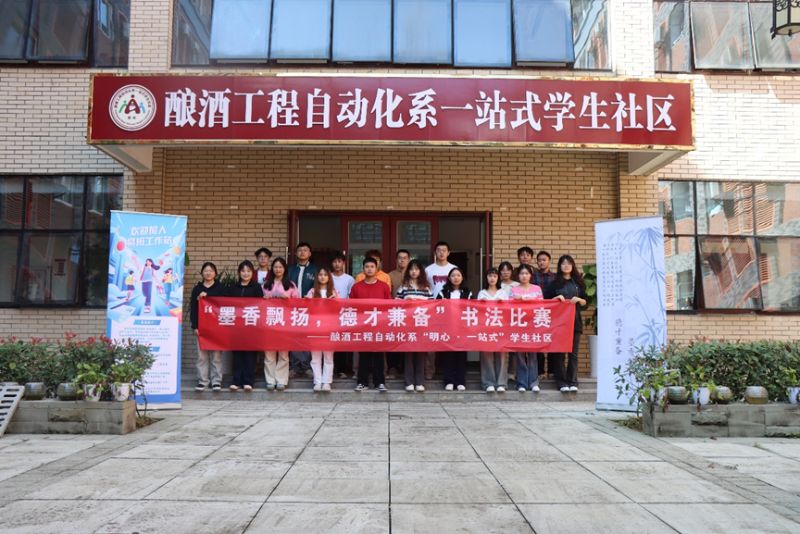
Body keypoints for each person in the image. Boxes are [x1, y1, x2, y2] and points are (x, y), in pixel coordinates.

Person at [545, 255, 588, 393]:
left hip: (575, 322)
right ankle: (561, 382)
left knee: (573, 354)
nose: (566, 266)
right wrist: (555, 298)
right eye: (563, 263)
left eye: (569, 263)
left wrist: (579, 300)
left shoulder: (579, 282)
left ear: (573, 265)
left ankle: (573, 381)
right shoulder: (554, 283)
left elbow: (585, 302)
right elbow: (546, 302)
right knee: (560, 353)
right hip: (559, 323)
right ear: (559, 266)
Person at [350, 257, 391, 392]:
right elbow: (352, 306)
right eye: (367, 267)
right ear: (363, 269)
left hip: (379, 324)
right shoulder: (356, 287)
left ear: (377, 269)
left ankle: (380, 382)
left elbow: (388, 306)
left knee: (379, 354)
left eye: (372, 267)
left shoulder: (384, 286)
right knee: (364, 355)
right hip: (362, 325)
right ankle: (362, 382)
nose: (369, 269)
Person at [395, 259, 433, 392]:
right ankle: (409, 381)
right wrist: (406, 299)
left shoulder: (426, 287)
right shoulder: (403, 286)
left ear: (421, 271)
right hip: (407, 324)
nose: (414, 272)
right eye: (411, 269)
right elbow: (396, 302)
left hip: (422, 324)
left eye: (416, 269)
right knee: (408, 353)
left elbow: (432, 304)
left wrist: (420, 300)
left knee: (421, 353)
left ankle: (420, 381)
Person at [263, 257, 300, 391]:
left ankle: (281, 380)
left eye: (280, 267)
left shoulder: (291, 285)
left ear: (285, 269)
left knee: (283, 353)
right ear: (272, 269)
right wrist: (265, 299)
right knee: (269, 353)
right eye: (275, 267)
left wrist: (288, 300)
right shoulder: (266, 284)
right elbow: (259, 304)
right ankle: (270, 380)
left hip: (285, 323)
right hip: (269, 322)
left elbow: (298, 304)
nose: (278, 269)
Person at [226, 260, 263, 392]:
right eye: (243, 271)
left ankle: (248, 381)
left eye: (248, 271)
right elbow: (226, 304)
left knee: (250, 354)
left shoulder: (256, 287)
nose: (245, 273)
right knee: (237, 354)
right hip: (236, 327)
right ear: (239, 273)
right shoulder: (233, 287)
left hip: (252, 326)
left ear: (252, 273)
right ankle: (236, 381)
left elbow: (261, 306)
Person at [436, 267, 472, 391]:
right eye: (453, 275)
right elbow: (436, 308)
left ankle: (460, 381)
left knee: (461, 355)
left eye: (458, 275)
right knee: (448, 355)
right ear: (449, 278)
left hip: (462, 328)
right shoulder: (443, 292)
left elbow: (471, 309)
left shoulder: (468, 293)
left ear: (462, 278)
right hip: (447, 328)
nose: (456, 278)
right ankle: (449, 381)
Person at [425, 241, 457, 380]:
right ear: (435, 252)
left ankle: (448, 371)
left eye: (444, 250)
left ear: (449, 252)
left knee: (449, 339)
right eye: (439, 250)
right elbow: (426, 288)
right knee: (431, 339)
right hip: (432, 309)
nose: (441, 253)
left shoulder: (454, 268)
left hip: (451, 310)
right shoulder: (428, 270)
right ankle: (429, 370)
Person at [510, 264, 543, 393]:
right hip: (518, 325)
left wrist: (528, 300)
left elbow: (541, 304)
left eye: (526, 273)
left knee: (533, 354)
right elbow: (508, 306)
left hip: (533, 325)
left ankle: (533, 382)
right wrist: (518, 299)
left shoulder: (537, 288)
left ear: (530, 275)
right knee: (520, 355)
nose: (524, 276)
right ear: (518, 276)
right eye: (521, 273)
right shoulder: (514, 290)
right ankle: (522, 383)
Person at [192, 262, 224, 391]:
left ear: (215, 273)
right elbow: (193, 308)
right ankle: (203, 381)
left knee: (216, 356)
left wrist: (209, 297)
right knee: (202, 356)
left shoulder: (221, 288)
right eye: (206, 270)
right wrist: (195, 326)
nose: (208, 273)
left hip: (217, 328)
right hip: (202, 327)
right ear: (202, 273)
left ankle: (216, 381)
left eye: (211, 270)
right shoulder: (197, 289)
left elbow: (225, 305)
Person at [477, 268, 509, 393]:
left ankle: (501, 383)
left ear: (498, 278)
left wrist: (503, 304)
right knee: (487, 355)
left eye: (494, 276)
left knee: (502, 355)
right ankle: (488, 383)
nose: (492, 278)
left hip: (501, 327)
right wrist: (481, 304)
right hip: (485, 328)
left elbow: (509, 310)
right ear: (486, 278)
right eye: (490, 276)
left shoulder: (503, 293)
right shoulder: (482, 293)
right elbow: (477, 311)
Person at [306, 268, 338, 392]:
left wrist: (335, 301)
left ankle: (327, 382)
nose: (323, 277)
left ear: (329, 277)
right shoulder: (312, 291)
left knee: (328, 357)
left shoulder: (334, 292)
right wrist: (306, 300)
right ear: (317, 277)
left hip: (329, 328)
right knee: (315, 357)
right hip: (315, 329)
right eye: (320, 274)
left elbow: (340, 309)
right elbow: (306, 308)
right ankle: (317, 381)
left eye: (325, 274)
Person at [288, 242, 317, 379]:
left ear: (310, 253)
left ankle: (306, 367)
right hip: (291, 308)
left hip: (309, 309)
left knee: (307, 337)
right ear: (296, 253)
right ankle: (294, 367)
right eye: (300, 250)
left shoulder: (315, 269)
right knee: (293, 337)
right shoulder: (290, 269)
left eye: (305, 250)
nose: (302, 252)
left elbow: (317, 287)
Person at [330, 252, 355, 378]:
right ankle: (330, 369)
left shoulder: (349, 279)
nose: (337, 264)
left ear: (344, 263)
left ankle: (342, 370)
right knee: (329, 341)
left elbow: (351, 296)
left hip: (344, 314)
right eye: (334, 262)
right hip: (329, 314)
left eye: (339, 261)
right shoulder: (327, 276)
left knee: (342, 342)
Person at [533, 250, 557, 379]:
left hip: (553, 313)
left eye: (544, 260)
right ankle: (540, 372)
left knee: (552, 341)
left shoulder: (555, 277)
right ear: (537, 262)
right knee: (539, 342)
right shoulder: (532, 277)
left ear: (549, 261)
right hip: (537, 313)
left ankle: (552, 371)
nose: (542, 262)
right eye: (539, 260)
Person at [498, 260, 519, 380]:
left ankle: (512, 372)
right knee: (501, 346)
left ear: (511, 271)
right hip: (499, 319)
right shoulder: (497, 284)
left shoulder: (517, 285)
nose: (505, 272)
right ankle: (501, 373)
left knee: (514, 346)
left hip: (515, 318)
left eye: (508, 270)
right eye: (503, 270)